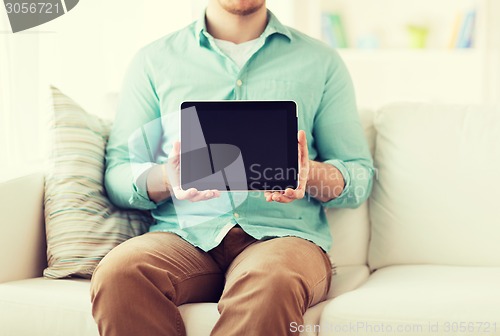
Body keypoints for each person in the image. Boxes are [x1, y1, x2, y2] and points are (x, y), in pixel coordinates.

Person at [90, 0, 374, 335]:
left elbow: (358, 175)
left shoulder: (320, 61)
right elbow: (120, 173)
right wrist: (167, 177)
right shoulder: (154, 60)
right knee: (120, 273)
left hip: (283, 240)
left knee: (272, 279)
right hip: (183, 237)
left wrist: (309, 173)